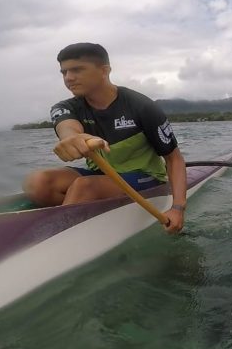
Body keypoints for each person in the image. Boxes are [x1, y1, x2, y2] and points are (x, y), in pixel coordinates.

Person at [22, 43, 186, 233]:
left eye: (77, 70)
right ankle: (80, 214)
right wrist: (73, 138)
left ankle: (58, 234)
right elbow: (67, 127)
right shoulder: (65, 106)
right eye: (64, 72)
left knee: (85, 187)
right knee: (38, 182)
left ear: (104, 70)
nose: (68, 78)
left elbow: (174, 159)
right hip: (103, 175)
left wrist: (177, 208)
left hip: (146, 176)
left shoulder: (141, 106)